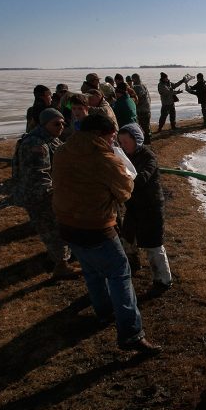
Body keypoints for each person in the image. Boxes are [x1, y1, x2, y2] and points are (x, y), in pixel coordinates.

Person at [52, 113, 161, 354]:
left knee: (91, 270)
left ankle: (103, 312)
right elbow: (125, 191)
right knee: (119, 275)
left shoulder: (61, 150)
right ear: (99, 135)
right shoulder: (105, 159)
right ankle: (131, 334)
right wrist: (120, 165)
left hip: (67, 225)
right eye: (112, 137)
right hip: (96, 227)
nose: (114, 142)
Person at [11, 108, 76, 278]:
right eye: (56, 124)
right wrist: (53, 197)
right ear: (44, 124)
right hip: (40, 196)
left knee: (54, 229)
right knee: (54, 230)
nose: (61, 127)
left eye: (63, 123)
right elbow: (39, 176)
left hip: (43, 194)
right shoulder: (36, 145)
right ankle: (61, 266)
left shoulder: (49, 138)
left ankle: (59, 258)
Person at [117, 124, 173, 292]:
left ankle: (163, 280)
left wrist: (123, 180)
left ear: (137, 140)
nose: (123, 146)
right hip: (133, 206)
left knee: (153, 245)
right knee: (128, 238)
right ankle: (133, 264)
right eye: (120, 142)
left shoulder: (148, 157)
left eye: (126, 142)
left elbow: (143, 178)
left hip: (150, 207)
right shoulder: (124, 156)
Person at [131, 73, 153, 143]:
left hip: (142, 110)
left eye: (132, 79)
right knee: (146, 126)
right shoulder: (143, 85)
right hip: (147, 109)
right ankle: (147, 140)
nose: (132, 81)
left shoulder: (137, 87)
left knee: (143, 127)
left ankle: (146, 142)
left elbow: (138, 98)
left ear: (134, 79)